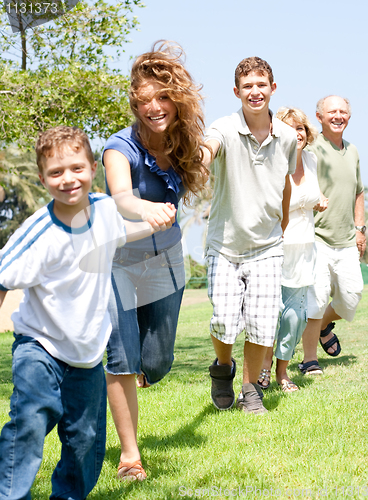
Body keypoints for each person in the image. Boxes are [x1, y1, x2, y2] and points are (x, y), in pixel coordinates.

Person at [0, 126, 156, 499]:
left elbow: (125, 228)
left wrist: (155, 218)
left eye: (76, 168)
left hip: (87, 352)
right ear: (42, 179)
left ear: (92, 168)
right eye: (56, 172)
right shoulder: (38, 233)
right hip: (40, 345)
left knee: (85, 440)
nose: (68, 179)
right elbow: (2, 278)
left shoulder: (104, 209)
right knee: (31, 420)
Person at [102, 41, 209, 481]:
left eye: (161, 97)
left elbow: (211, 151)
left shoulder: (184, 145)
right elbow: (122, 195)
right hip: (118, 262)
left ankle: (126, 376)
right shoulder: (118, 146)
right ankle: (130, 458)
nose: (153, 107)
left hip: (165, 262)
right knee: (122, 357)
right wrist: (142, 208)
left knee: (157, 363)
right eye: (143, 99)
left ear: (177, 99)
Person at [203, 56, 297, 414]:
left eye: (261, 85)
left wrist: (282, 227)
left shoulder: (288, 138)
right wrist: (200, 157)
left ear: (272, 89)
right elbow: (208, 147)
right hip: (224, 246)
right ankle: (223, 367)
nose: (255, 92)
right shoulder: (224, 128)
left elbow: (286, 184)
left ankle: (249, 390)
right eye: (247, 86)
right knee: (225, 321)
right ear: (236, 91)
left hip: (268, 245)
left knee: (262, 324)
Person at [257, 108, 328, 393]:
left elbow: (315, 196)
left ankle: (282, 372)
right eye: (289, 128)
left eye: (300, 127)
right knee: (269, 313)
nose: (296, 133)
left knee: (295, 316)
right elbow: (273, 201)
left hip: (303, 246)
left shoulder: (311, 159)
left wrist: (314, 199)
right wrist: (310, 199)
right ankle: (262, 367)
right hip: (274, 245)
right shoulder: (269, 161)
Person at [299, 95, 366, 375]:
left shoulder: (353, 151)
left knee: (351, 297)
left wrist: (360, 228)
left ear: (348, 116)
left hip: (347, 239)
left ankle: (324, 325)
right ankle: (309, 360)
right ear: (319, 116)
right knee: (316, 299)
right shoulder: (311, 148)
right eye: (332, 111)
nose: (338, 116)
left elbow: (359, 191)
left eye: (343, 111)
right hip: (316, 237)